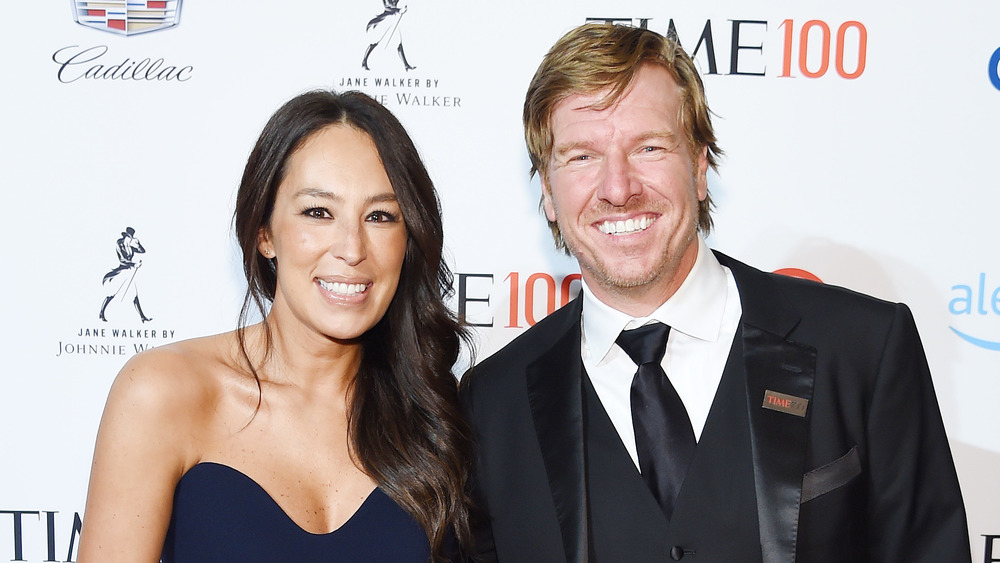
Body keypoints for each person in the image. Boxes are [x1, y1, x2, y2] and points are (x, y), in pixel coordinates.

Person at [459, 23, 970, 562]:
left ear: (699, 168)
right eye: (581, 157)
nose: (618, 187)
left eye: (649, 147)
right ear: (548, 193)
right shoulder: (492, 405)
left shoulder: (862, 349)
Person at [78, 90, 472, 562]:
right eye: (318, 212)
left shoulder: (435, 414)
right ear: (264, 233)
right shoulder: (163, 393)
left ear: (408, 241)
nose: (352, 248)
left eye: (381, 216)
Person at [98, 226, 152, 323]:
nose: (130, 239)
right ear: (126, 236)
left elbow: (143, 251)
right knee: (112, 293)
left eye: (131, 238)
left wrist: (138, 244)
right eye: (129, 237)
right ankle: (101, 313)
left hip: (130, 272)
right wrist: (134, 264)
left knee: (135, 295)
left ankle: (142, 317)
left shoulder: (131, 246)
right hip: (122, 271)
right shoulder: (120, 244)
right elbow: (122, 260)